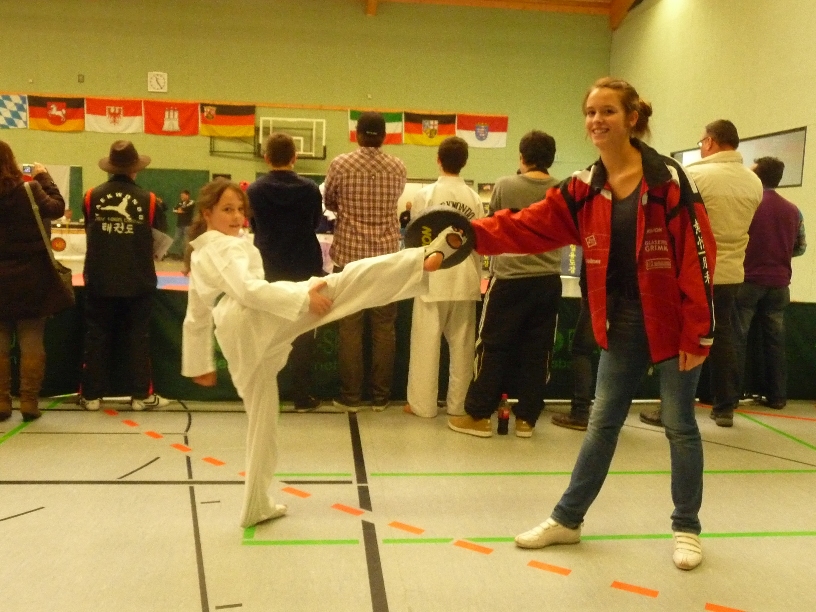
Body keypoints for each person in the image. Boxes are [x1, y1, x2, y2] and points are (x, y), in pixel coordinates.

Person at [467, 78, 716, 570]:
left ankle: (687, 527)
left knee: (680, 426)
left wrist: (699, 330)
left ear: (631, 118)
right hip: (621, 322)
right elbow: (528, 223)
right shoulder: (584, 187)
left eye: (607, 111)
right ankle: (568, 519)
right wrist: (468, 235)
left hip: (673, 325)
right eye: (590, 112)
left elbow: (698, 255)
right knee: (602, 423)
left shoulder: (667, 179)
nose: (596, 120)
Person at [181, 179, 465, 528]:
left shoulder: (204, 250)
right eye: (227, 209)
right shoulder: (224, 247)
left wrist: (199, 363)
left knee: (263, 422)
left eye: (240, 209)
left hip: (241, 334)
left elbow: (196, 313)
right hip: (251, 320)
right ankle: (420, 260)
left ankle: (255, 505)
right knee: (344, 284)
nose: (237, 216)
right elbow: (248, 291)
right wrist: (304, 298)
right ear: (207, 213)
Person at [641, 120, 762, 428]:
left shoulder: (694, 175)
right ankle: (724, 407)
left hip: (696, 271)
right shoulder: (754, 182)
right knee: (723, 337)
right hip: (732, 273)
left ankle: (671, 409)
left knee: (682, 338)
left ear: (709, 142)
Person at [448, 130, 562, 438]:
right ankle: (526, 419)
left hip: (510, 279)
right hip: (548, 281)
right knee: (538, 351)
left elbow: (494, 225)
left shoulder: (505, 185)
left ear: (522, 157)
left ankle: (479, 415)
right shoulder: (561, 189)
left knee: (492, 347)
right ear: (551, 159)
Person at [324, 112, 407, 411]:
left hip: (349, 257)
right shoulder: (398, 167)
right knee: (384, 327)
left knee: (350, 327)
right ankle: (381, 397)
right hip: (386, 258)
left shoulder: (340, 164)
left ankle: (351, 397)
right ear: (384, 136)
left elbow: (329, 201)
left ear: (357, 134)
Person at [79, 140, 170, 412]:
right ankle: (141, 396)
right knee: (138, 338)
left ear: (110, 168)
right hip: (137, 281)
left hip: (99, 279)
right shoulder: (150, 201)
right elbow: (160, 241)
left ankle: (91, 396)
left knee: (97, 336)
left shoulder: (90, 197)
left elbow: (90, 230)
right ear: (135, 169)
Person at [404, 136, 484, 418]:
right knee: (462, 348)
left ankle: (422, 406)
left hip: (432, 277)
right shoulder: (474, 198)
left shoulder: (425, 195)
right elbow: (478, 240)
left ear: (438, 160)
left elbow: (415, 239)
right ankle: (458, 405)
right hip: (465, 277)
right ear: (464, 163)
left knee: (425, 346)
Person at [247, 133, 324, 411]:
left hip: (268, 266)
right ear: (295, 157)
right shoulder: (310, 189)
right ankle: (302, 395)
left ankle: (268, 394)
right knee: (303, 332)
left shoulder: (254, 190)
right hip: (304, 265)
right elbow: (315, 222)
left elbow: (254, 225)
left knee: (269, 331)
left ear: (266, 158)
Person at [0, 142, 66, 422]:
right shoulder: (30, 189)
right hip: (31, 277)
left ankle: (2, 402)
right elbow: (57, 208)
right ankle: (28, 402)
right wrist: (44, 177)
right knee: (32, 341)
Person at [736, 157, 806, 410]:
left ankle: (730, 397)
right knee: (775, 342)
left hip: (748, 280)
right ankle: (777, 396)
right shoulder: (794, 211)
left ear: (756, 176)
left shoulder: (748, 205)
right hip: (779, 284)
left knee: (737, 339)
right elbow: (800, 247)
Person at [551, 263, 597, 431]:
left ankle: (580, 412)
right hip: (627, 297)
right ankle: (611, 415)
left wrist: (585, 292)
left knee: (581, 350)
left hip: (598, 293)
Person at [169, 189, 195, 259]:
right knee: (176, 239)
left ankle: (186, 256)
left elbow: (187, 208)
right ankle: (178, 254)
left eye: (183, 195)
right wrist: (179, 211)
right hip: (179, 225)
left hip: (187, 225)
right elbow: (174, 209)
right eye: (181, 196)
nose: (182, 197)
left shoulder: (191, 202)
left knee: (186, 241)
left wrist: (181, 210)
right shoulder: (180, 203)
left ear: (187, 195)